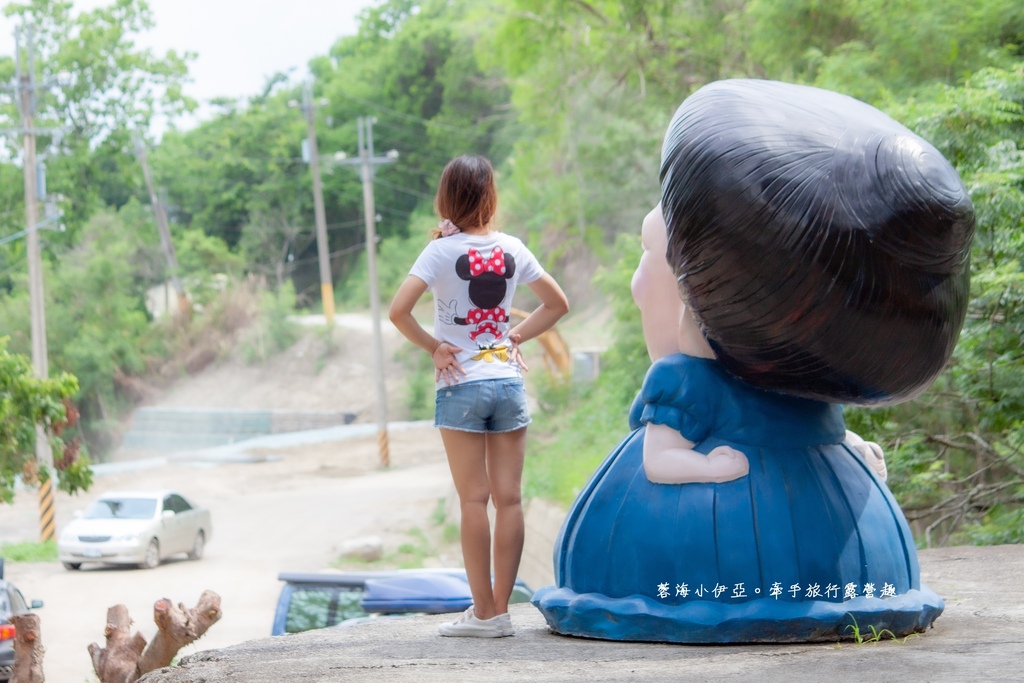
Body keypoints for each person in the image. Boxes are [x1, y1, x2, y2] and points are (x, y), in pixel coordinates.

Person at [532, 79, 972, 642]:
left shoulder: (687, 378)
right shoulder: (765, 380)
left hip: (723, 552)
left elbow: (661, 456)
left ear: (700, 293)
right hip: (849, 543)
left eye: (652, 261)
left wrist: (716, 469)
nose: (640, 287)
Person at [389, 155, 569, 637]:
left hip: (461, 385)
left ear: (446, 199)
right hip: (508, 382)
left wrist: (435, 348)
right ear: (490, 196)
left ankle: (483, 612)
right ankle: (503, 612)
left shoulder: (438, 252)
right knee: (509, 500)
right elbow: (558, 304)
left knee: (474, 500)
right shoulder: (512, 248)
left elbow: (398, 311)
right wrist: (515, 338)